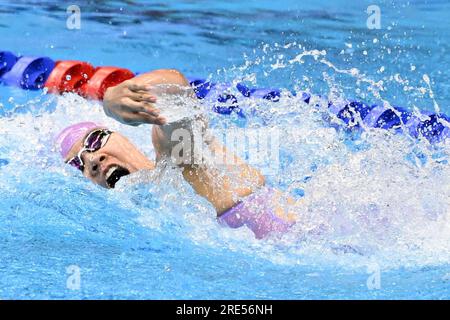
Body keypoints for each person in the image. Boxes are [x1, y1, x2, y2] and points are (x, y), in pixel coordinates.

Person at [56, 69, 298, 239]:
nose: (92, 159)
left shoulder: (178, 161)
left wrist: (114, 98)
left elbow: (176, 90)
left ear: (121, 137)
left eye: (95, 140)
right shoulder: (151, 220)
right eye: (78, 164)